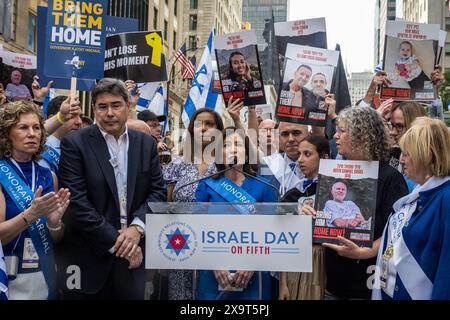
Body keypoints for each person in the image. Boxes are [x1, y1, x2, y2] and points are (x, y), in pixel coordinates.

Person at [56, 78, 166, 299]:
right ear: (94, 109)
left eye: (116, 105)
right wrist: (120, 243)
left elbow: (158, 192)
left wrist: (136, 229)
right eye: (102, 106)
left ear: (127, 106)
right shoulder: (75, 143)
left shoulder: (145, 144)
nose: (109, 113)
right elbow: (76, 201)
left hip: (133, 262)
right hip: (88, 260)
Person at [324, 118, 450, 300]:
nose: (401, 160)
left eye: (407, 154)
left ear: (428, 155)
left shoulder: (445, 197)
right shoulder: (419, 195)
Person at [321, 106, 408, 299]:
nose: (335, 136)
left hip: (368, 284)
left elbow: (397, 233)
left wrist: (362, 253)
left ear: (363, 135)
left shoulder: (390, 178)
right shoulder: (332, 172)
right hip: (333, 283)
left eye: (342, 131)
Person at [195, 127, 277, 300]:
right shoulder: (206, 185)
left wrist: (253, 263)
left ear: (247, 154)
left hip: (253, 273)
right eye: (226, 145)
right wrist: (214, 263)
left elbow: (273, 231)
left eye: (238, 144)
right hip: (214, 271)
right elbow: (197, 229)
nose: (232, 149)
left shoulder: (265, 186)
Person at [0, 101, 70, 299]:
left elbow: (56, 237)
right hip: (7, 275)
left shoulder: (49, 176)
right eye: (23, 127)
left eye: (37, 127)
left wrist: (54, 224)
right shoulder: (0, 172)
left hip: (41, 276)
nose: (32, 133)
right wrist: (30, 215)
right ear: (7, 133)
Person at [163, 107, 224, 300]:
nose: (204, 128)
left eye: (209, 124)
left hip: (216, 244)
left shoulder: (227, 165)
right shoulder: (178, 163)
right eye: (199, 124)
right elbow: (167, 204)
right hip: (181, 242)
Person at [280, 135, 330, 300]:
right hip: (296, 261)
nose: (300, 160)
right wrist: (283, 282)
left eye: (307, 154)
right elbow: (282, 239)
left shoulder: (337, 191)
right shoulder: (293, 194)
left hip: (328, 261)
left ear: (324, 158)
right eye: (299, 154)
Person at [38, 95, 82, 172]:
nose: (79, 122)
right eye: (71, 117)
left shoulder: (79, 149)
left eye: (80, 116)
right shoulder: (39, 149)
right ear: (52, 118)